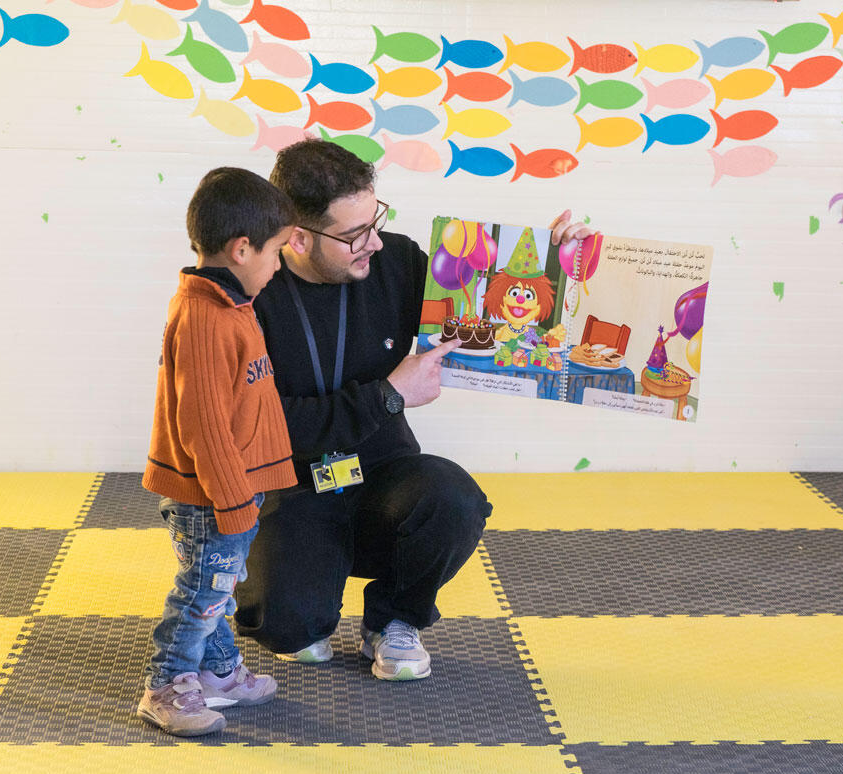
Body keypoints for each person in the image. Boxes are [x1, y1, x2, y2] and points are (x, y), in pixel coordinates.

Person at [233, 139, 591, 682]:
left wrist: (555, 265)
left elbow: (490, 319)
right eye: (354, 234)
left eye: (375, 218)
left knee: (455, 499)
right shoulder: (253, 291)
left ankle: (396, 619)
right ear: (298, 237)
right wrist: (387, 395)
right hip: (292, 481)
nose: (373, 242)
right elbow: (261, 428)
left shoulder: (395, 259)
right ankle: (307, 586)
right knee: (290, 630)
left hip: (383, 471)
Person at [138, 167, 298, 736]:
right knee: (202, 593)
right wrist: (233, 503)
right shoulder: (205, 317)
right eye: (277, 252)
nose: (278, 266)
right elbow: (204, 426)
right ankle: (166, 684)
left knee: (217, 585)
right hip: (214, 497)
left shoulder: (231, 303)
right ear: (241, 248)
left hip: (233, 489)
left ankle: (219, 670)